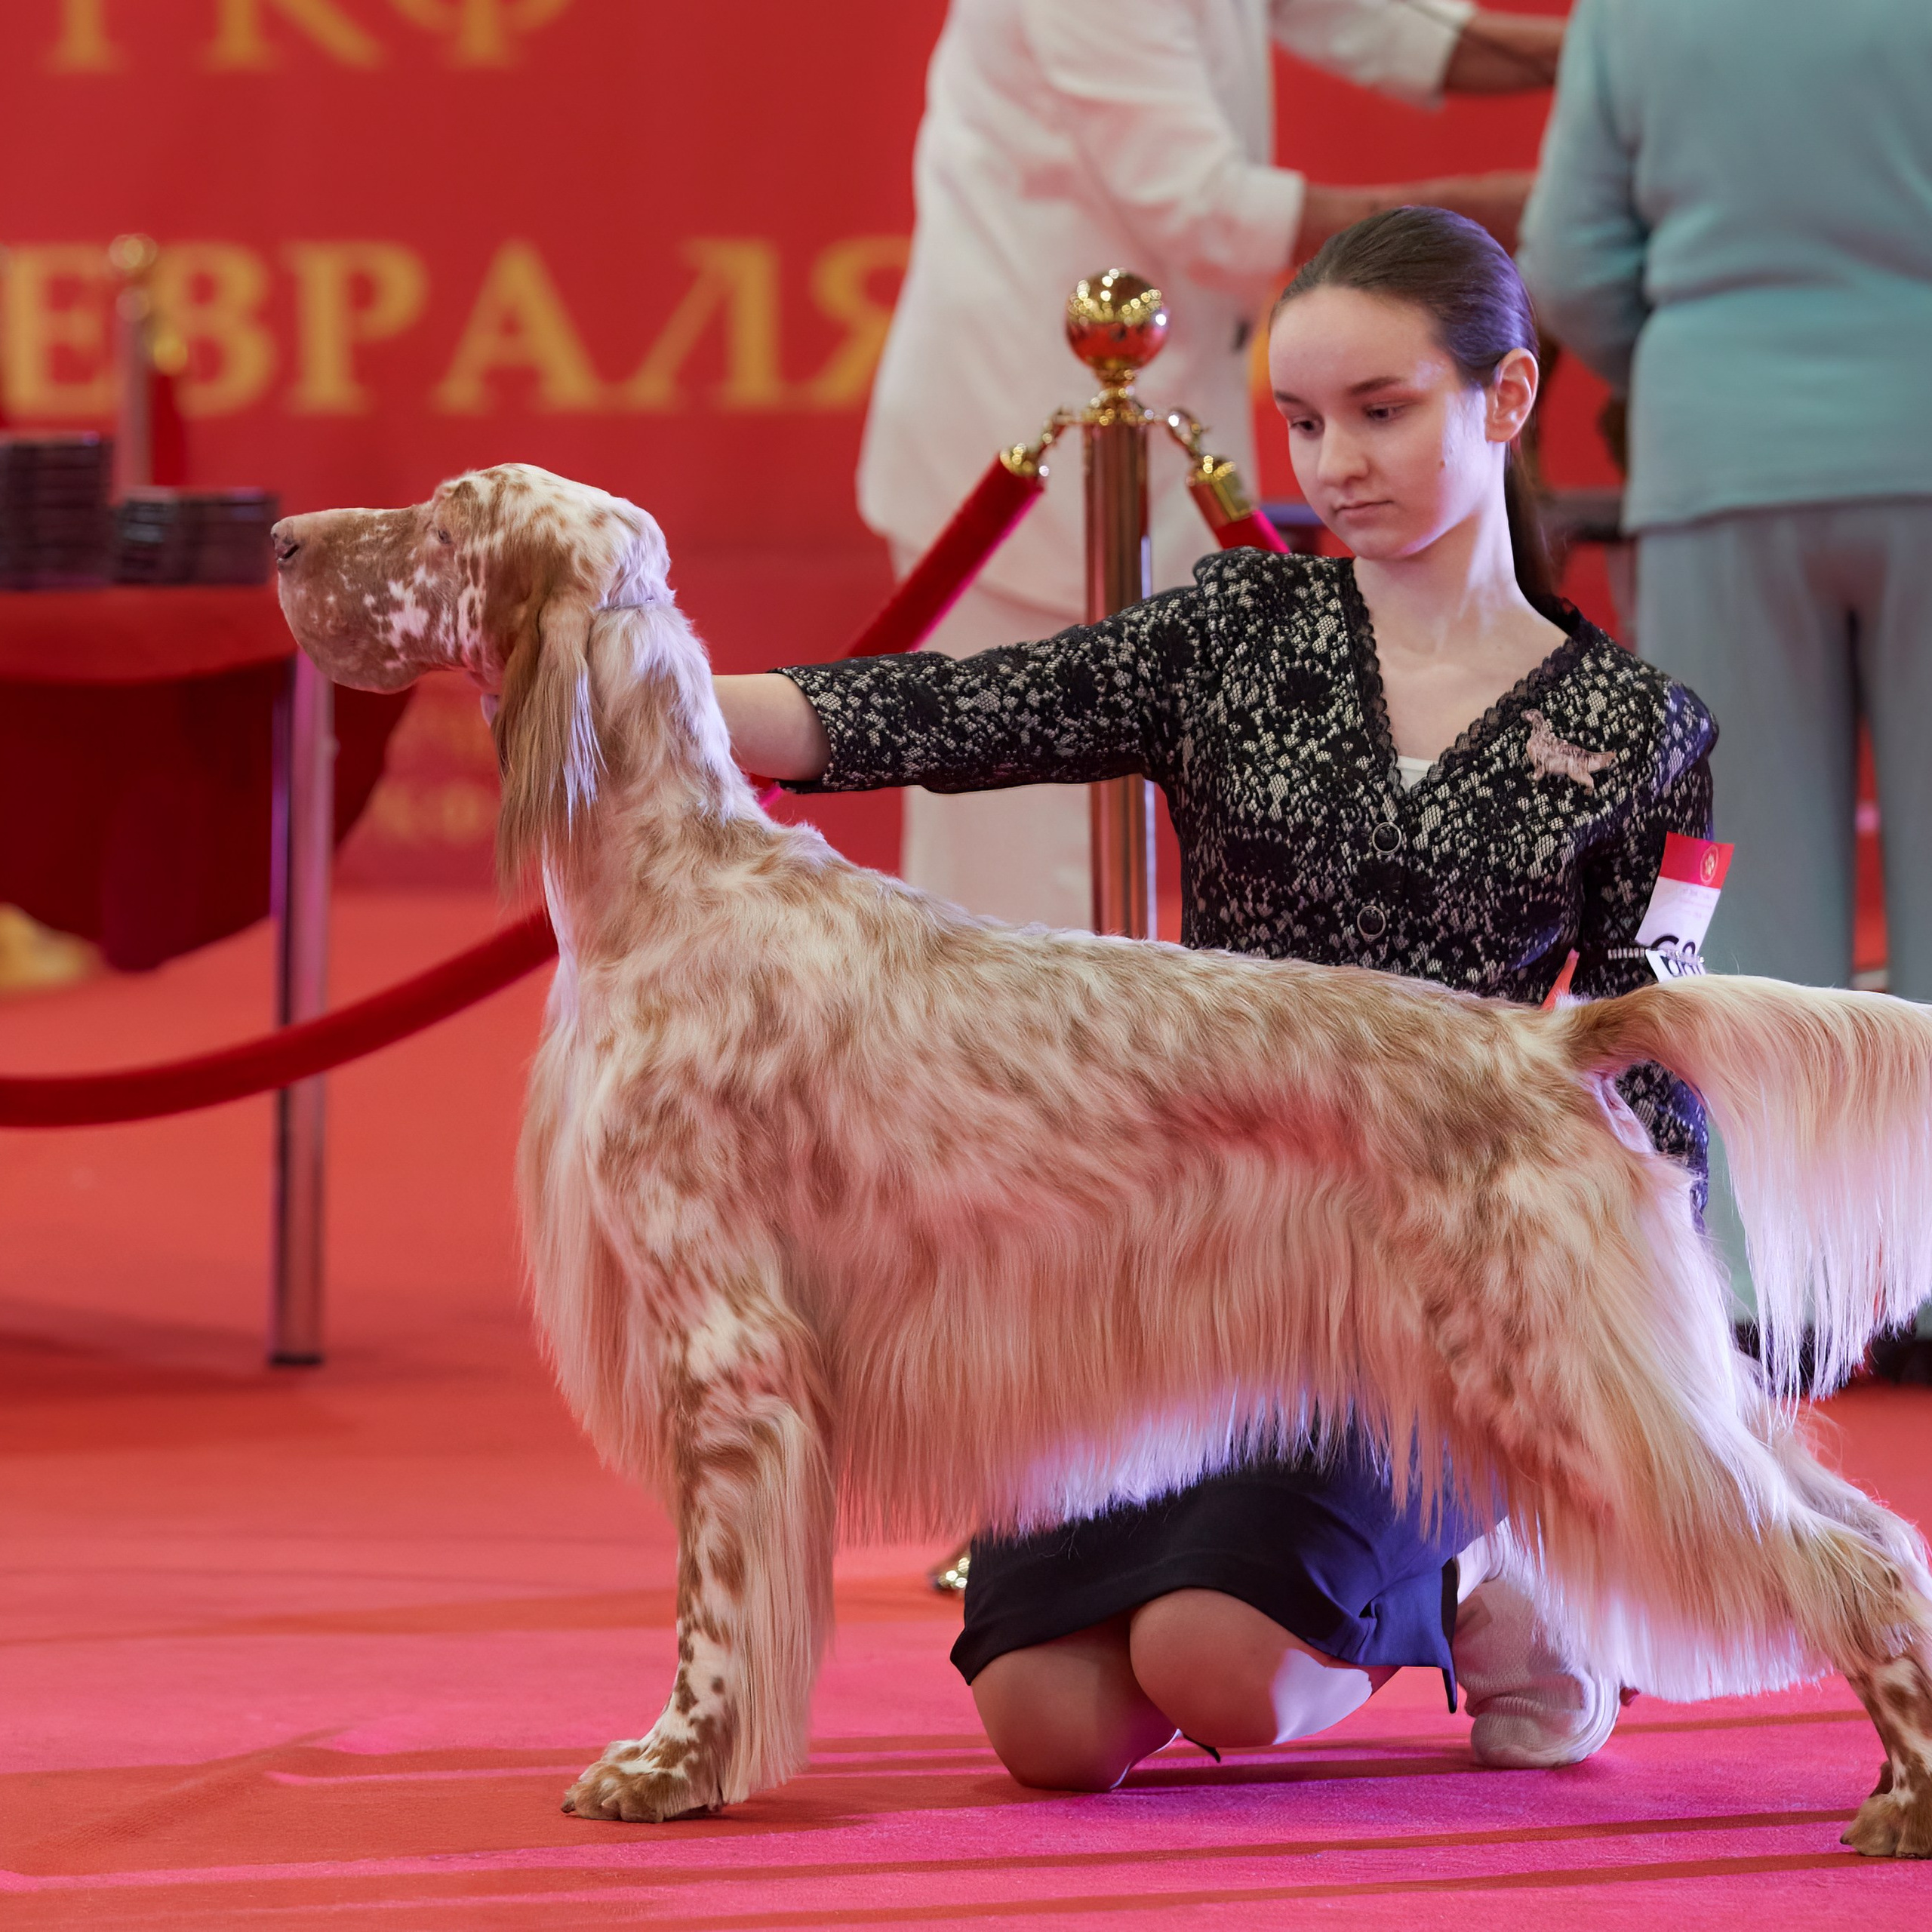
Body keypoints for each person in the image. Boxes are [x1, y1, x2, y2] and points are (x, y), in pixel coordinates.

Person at [718, 207, 1715, 1784]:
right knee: (1046, 1730)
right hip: (1166, 1266)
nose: (1334, 464)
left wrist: (1638, 1358)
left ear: (1507, 396)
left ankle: (1494, 1561)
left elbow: (1653, 1045)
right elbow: (950, 708)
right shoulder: (1234, 630)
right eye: (1302, 423)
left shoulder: (1640, 725)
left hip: (1422, 1293)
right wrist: (647, 689)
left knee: (1221, 1668)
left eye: (1380, 410)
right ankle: (1378, 1571)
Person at [863, 0, 1567, 930]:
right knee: (1018, 892)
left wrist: (1600, 52)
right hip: (1031, 443)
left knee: (1154, 873)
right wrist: (1518, 212)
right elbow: (1208, 207)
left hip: (1160, 432)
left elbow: (1374, 18)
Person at [1515, 0, 1932, 1349]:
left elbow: (1571, 259)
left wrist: (1711, 367)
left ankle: (1760, 1293)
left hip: (1721, 452)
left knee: (1736, 895)